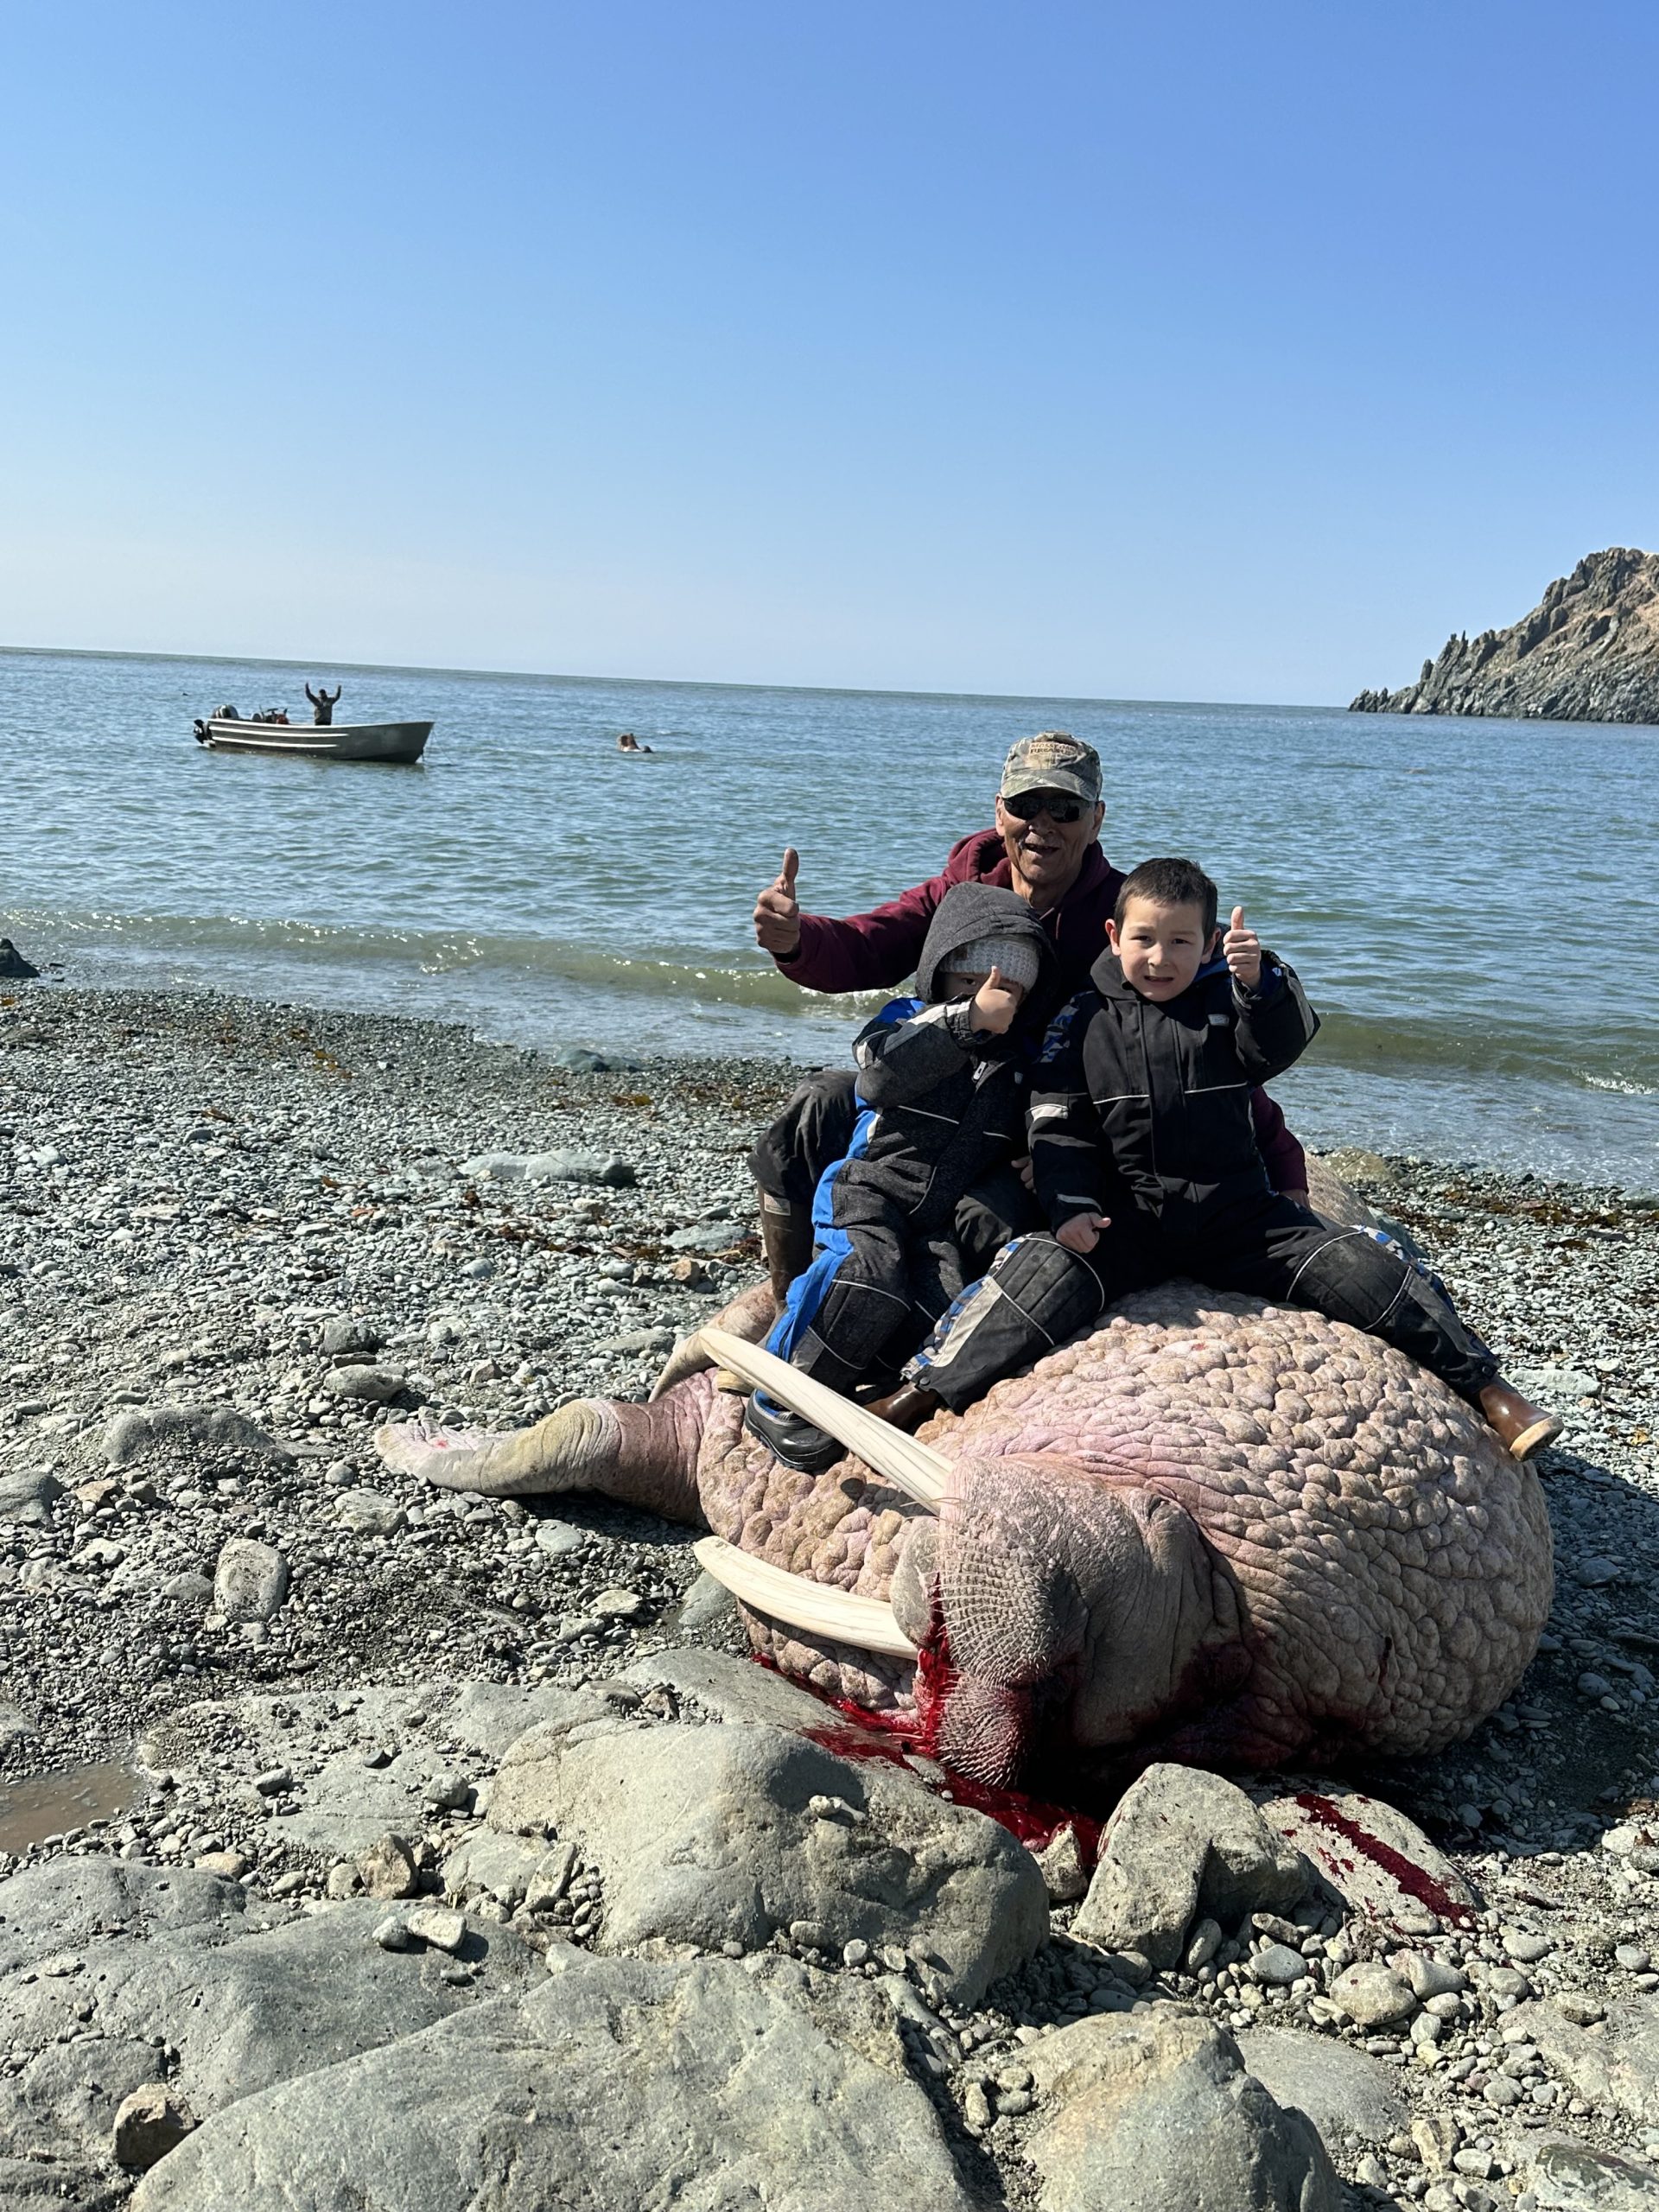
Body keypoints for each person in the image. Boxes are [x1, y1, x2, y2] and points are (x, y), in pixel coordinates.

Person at [891, 857, 1561, 1460]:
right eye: (1144, 939)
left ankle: (1489, 1391)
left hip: (1242, 1217)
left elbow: (1281, 1044)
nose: (1160, 958)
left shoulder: (1228, 1005)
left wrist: (1262, 982)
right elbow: (1056, 1124)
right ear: (1112, 936)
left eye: (1181, 942)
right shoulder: (1081, 1019)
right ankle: (916, 1397)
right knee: (1035, 1274)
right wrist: (1070, 1206)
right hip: (1129, 1221)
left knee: (1366, 1263)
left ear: (1210, 943)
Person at [748, 732, 1310, 1315]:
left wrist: (1282, 1165)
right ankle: (790, 1300)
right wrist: (797, 940)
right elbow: (868, 945)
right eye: (1025, 805)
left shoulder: (1129, 925)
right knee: (815, 1108)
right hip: (930, 1096)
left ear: (1095, 820)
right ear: (999, 813)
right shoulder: (961, 895)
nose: (1043, 824)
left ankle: (902, 1332)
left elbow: (1203, 1053)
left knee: (985, 1225)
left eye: (1065, 809)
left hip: (1026, 1130)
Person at [745, 883, 1059, 1472]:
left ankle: (845, 1384)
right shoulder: (907, 1021)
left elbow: (1047, 1113)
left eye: (1009, 988)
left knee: (931, 1308)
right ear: (940, 974)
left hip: (934, 1215)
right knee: (868, 1275)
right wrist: (963, 1022)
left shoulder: (1017, 1064)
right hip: (868, 1189)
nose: (990, 996)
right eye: (970, 982)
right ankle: (776, 1390)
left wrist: (1042, 1154)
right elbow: (878, 1080)